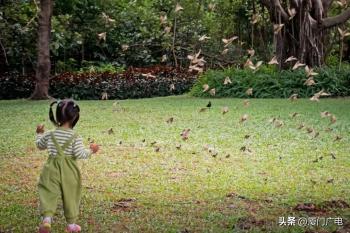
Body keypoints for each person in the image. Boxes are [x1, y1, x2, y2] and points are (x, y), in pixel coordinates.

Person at [35, 99, 99, 233]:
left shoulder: (50, 134)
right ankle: (71, 225)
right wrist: (91, 150)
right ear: (75, 117)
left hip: (51, 169)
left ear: (57, 116)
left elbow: (39, 145)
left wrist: (39, 134)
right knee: (71, 195)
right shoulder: (75, 136)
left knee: (47, 192)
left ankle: (47, 220)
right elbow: (80, 153)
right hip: (70, 170)